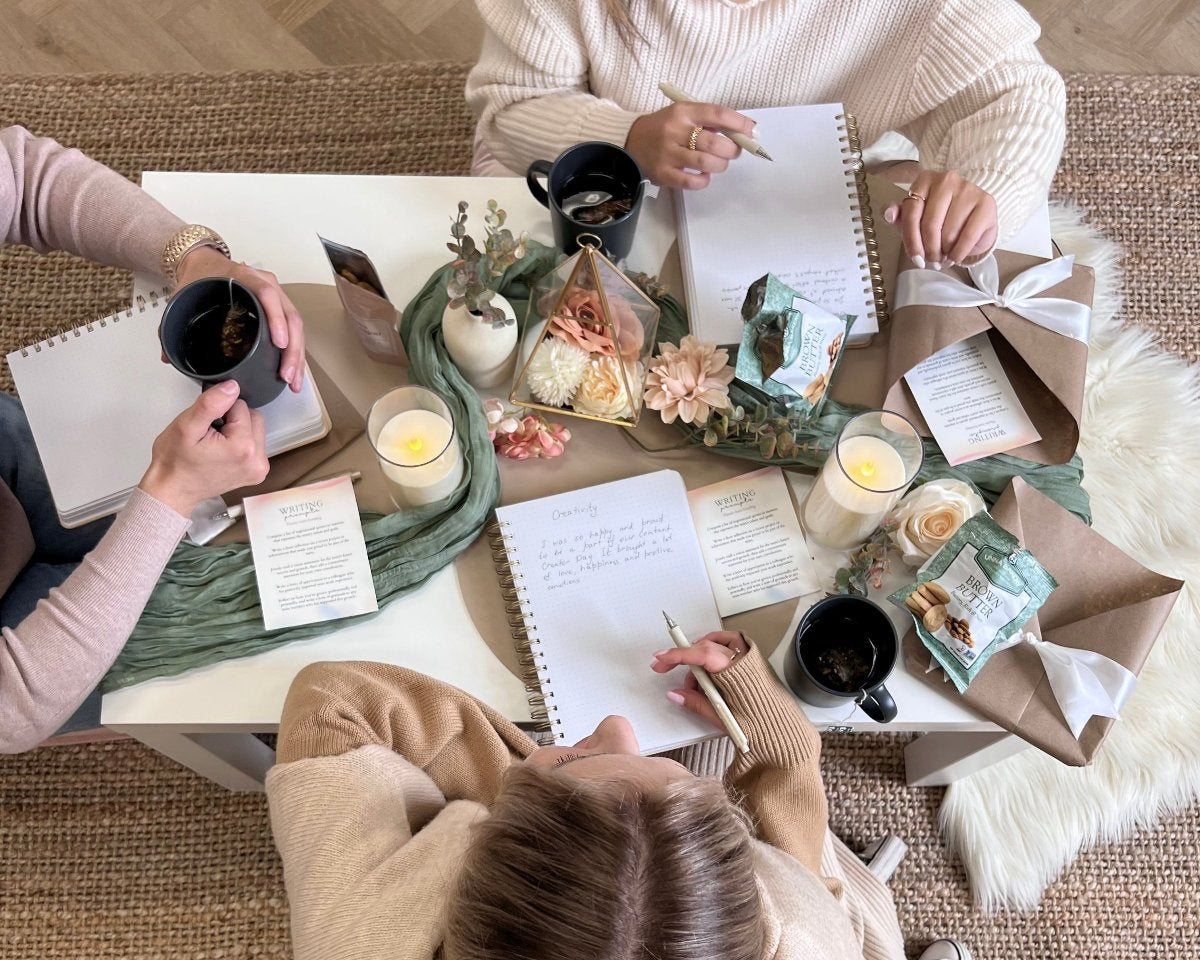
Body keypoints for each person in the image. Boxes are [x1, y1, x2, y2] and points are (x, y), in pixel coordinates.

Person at [266, 631, 912, 960]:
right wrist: (781, 746)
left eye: (584, 751)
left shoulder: (357, 938)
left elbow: (331, 704)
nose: (620, 727)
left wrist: (524, 803)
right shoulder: (804, 938)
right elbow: (812, 875)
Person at [0, 124, 299, 752]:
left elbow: (27, 178)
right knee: (239, 632)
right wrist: (170, 492)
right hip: (19, 660)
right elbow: (13, 705)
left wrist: (192, 256)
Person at [466, 0, 1066, 268]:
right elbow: (512, 107)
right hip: (597, 188)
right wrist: (625, 137)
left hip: (794, 203)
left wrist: (985, 189)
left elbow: (1018, 93)